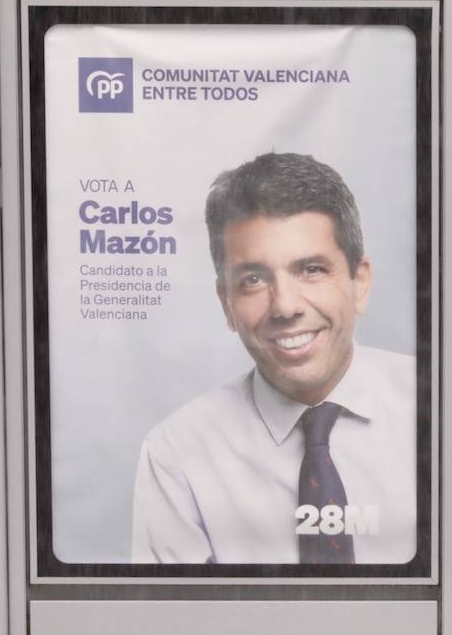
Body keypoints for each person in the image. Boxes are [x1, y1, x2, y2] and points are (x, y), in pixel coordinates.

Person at [131, 152, 417, 565]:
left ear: (359, 283)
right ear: (226, 304)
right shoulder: (175, 455)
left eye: (312, 270)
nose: (285, 306)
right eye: (253, 280)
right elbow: (174, 624)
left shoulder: (431, 412)